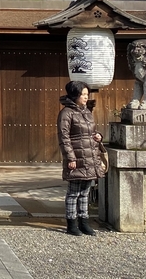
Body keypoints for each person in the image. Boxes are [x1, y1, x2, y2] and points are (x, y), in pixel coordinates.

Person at [57, 80, 104, 236]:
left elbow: (91, 131)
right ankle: (72, 223)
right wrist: (70, 158)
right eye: (83, 94)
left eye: (86, 94)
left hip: (90, 156)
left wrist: (98, 136)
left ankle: (84, 222)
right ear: (75, 95)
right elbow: (64, 137)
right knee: (74, 192)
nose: (86, 97)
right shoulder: (66, 113)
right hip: (77, 157)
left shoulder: (86, 111)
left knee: (85, 192)